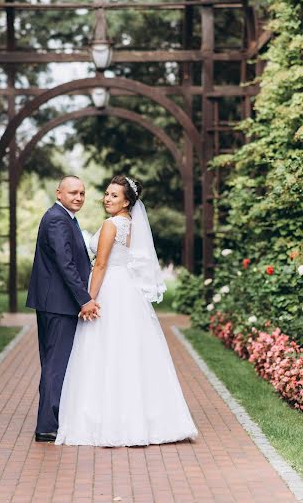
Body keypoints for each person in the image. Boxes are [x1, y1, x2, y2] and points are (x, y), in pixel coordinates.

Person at [55, 175, 198, 446]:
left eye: (114, 196)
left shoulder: (111, 225)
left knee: (106, 351)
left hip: (110, 289)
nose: (107, 199)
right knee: (130, 352)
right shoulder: (131, 224)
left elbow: (100, 266)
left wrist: (89, 299)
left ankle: (109, 421)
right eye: (107, 194)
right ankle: (144, 419)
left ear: (127, 201)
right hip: (127, 291)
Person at [26, 176, 100, 442]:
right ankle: (47, 426)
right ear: (59, 193)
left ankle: (50, 420)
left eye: (82, 193)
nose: (78, 197)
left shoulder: (65, 217)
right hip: (58, 304)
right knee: (55, 364)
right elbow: (64, 263)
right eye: (73, 192)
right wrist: (84, 299)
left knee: (52, 363)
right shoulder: (58, 219)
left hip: (54, 303)